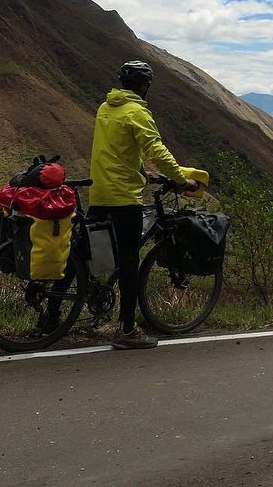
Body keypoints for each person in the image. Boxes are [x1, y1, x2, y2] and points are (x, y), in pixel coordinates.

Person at [88, 60, 200, 350]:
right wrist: (181, 179)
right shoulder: (137, 112)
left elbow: (116, 149)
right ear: (145, 86)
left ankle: (51, 318)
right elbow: (157, 151)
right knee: (129, 261)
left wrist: (140, 171)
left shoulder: (105, 108)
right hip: (123, 196)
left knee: (87, 253)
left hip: (98, 190)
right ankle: (126, 329)